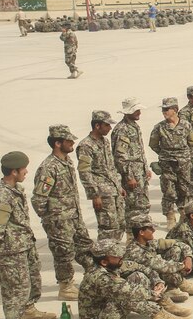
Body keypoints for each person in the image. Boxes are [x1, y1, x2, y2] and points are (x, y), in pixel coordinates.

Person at [0, 150, 58, 319]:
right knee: (15, 286)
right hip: (12, 250)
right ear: (13, 172)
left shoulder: (16, 190)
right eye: (23, 169)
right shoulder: (3, 197)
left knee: (31, 281)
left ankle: (29, 310)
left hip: (24, 244)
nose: (26, 172)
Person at [32, 124, 94, 301]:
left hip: (74, 215)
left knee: (85, 246)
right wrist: (51, 218)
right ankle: (66, 286)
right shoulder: (49, 167)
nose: (72, 142)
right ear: (57, 143)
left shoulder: (67, 162)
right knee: (64, 253)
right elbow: (38, 199)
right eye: (68, 140)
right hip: (59, 220)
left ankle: (93, 276)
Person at [79, 238, 190, 319]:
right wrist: (153, 295)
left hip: (107, 308)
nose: (121, 258)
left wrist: (157, 282)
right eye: (116, 256)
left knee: (139, 276)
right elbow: (128, 292)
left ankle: (166, 305)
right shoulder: (99, 277)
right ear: (104, 262)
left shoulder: (113, 264)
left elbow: (144, 269)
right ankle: (163, 318)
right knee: (126, 296)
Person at [149, 97, 193, 229]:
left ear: (175, 110)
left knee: (184, 190)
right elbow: (153, 144)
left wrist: (185, 156)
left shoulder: (186, 125)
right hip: (167, 164)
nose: (164, 112)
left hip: (183, 164)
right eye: (163, 109)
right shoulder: (159, 127)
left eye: (167, 109)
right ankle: (170, 217)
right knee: (169, 192)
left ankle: (183, 215)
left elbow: (192, 142)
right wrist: (164, 154)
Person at [76, 110, 126, 241]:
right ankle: (105, 256)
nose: (110, 128)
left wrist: (119, 186)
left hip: (114, 190)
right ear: (97, 126)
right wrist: (94, 194)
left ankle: (115, 254)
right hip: (102, 193)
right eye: (107, 125)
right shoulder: (86, 146)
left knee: (120, 224)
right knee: (108, 228)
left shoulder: (105, 142)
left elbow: (110, 166)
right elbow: (84, 171)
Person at [113, 98, 152, 229]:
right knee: (133, 207)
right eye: (135, 110)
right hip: (132, 175)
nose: (139, 112)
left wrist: (145, 167)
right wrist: (129, 176)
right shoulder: (122, 129)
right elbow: (120, 156)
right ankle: (132, 235)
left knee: (142, 204)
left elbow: (139, 150)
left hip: (139, 173)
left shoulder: (133, 126)